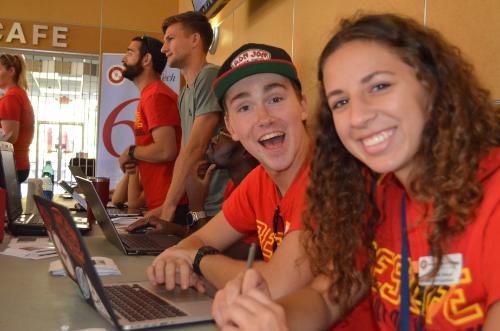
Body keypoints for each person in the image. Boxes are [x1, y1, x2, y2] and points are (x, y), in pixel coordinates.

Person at [212, 13, 500, 331]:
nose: (358, 116)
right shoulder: (379, 196)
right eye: (341, 102)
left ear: (431, 85)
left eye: (379, 86)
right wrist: (271, 316)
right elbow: (327, 297)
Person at [146, 43, 376, 331]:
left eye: (276, 98)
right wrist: (180, 254)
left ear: (303, 105)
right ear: (230, 126)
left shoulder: (331, 178)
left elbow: (274, 288)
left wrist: (197, 259)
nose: (264, 118)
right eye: (245, 107)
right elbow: (195, 240)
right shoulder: (259, 181)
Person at [134, 11, 228, 225]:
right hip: (200, 205)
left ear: (195, 40)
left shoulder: (209, 76)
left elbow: (195, 147)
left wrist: (168, 209)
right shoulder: (184, 93)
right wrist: (166, 205)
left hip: (222, 204)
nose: (163, 48)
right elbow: (184, 152)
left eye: (170, 39)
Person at [119, 35, 187, 216]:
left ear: (146, 59)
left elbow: (166, 150)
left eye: (130, 52)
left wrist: (130, 152)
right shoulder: (149, 96)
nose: (123, 59)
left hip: (172, 207)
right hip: (159, 205)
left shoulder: (156, 96)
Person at [0, 54, 34, 183]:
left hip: (9, 166)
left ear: (11, 71)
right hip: (18, 165)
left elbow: (10, 137)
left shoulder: (11, 97)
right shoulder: (20, 94)